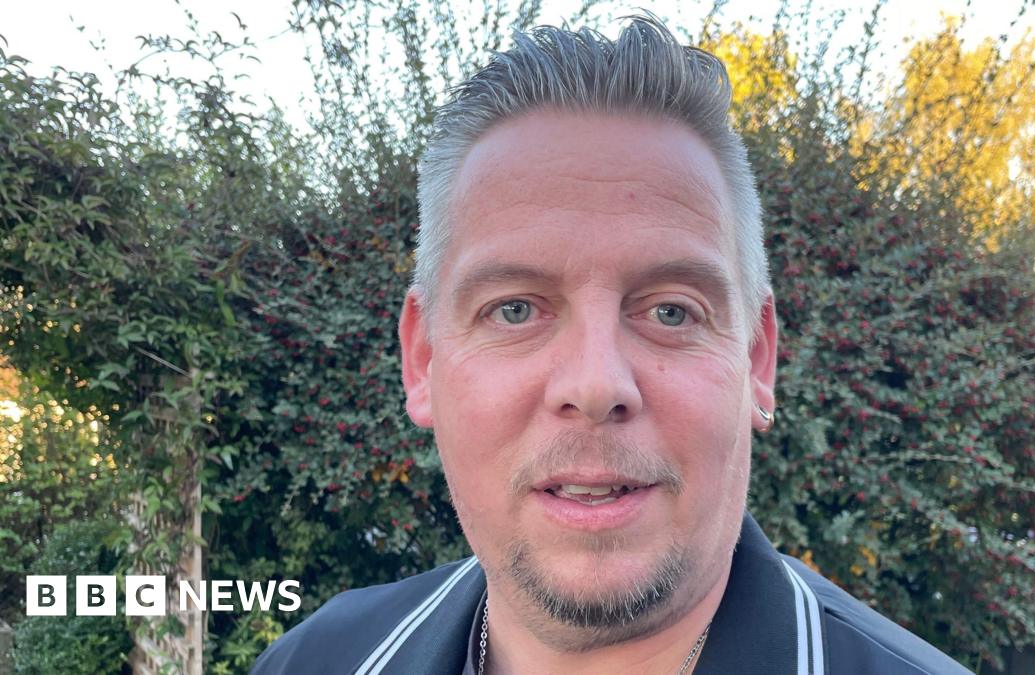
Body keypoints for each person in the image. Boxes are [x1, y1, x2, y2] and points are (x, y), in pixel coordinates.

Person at [252, 16, 968, 675]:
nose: (596, 385)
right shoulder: (312, 660)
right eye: (514, 308)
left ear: (756, 358)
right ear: (423, 359)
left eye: (670, 310)